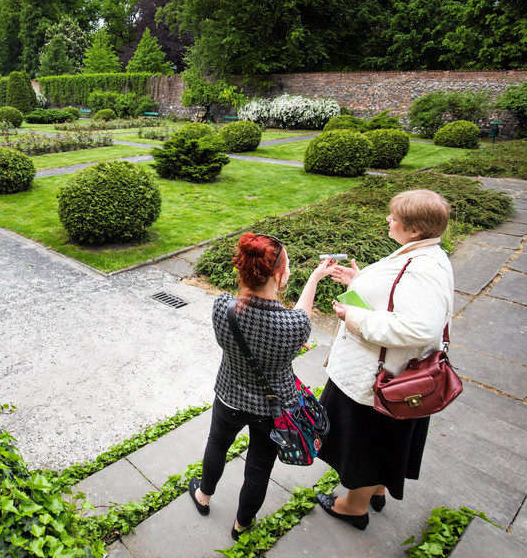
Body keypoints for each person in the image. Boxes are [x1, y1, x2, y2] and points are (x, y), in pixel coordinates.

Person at [315, 189, 455, 530]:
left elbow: (421, 327)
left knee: (363, 441)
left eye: (395, 217)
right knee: (382, 440)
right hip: (390, 373)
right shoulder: (424, 253)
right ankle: (376, 488)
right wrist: (359, 281)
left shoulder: (425, 268)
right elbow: (397, 295)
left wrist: (354, 317)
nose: (388, 220)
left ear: (415, 230)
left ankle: (353, 507)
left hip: (377, 378)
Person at [188, 232, 336, 540]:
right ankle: (242, 524)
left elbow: (247, 308)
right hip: (273, 408)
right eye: (288, 267)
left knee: (217, 444)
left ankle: (203, 496)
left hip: (229, 395)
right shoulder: (292, 327)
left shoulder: (222, 307)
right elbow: (302, 318)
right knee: (258, 469)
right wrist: (316, 278)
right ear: (279, 276)